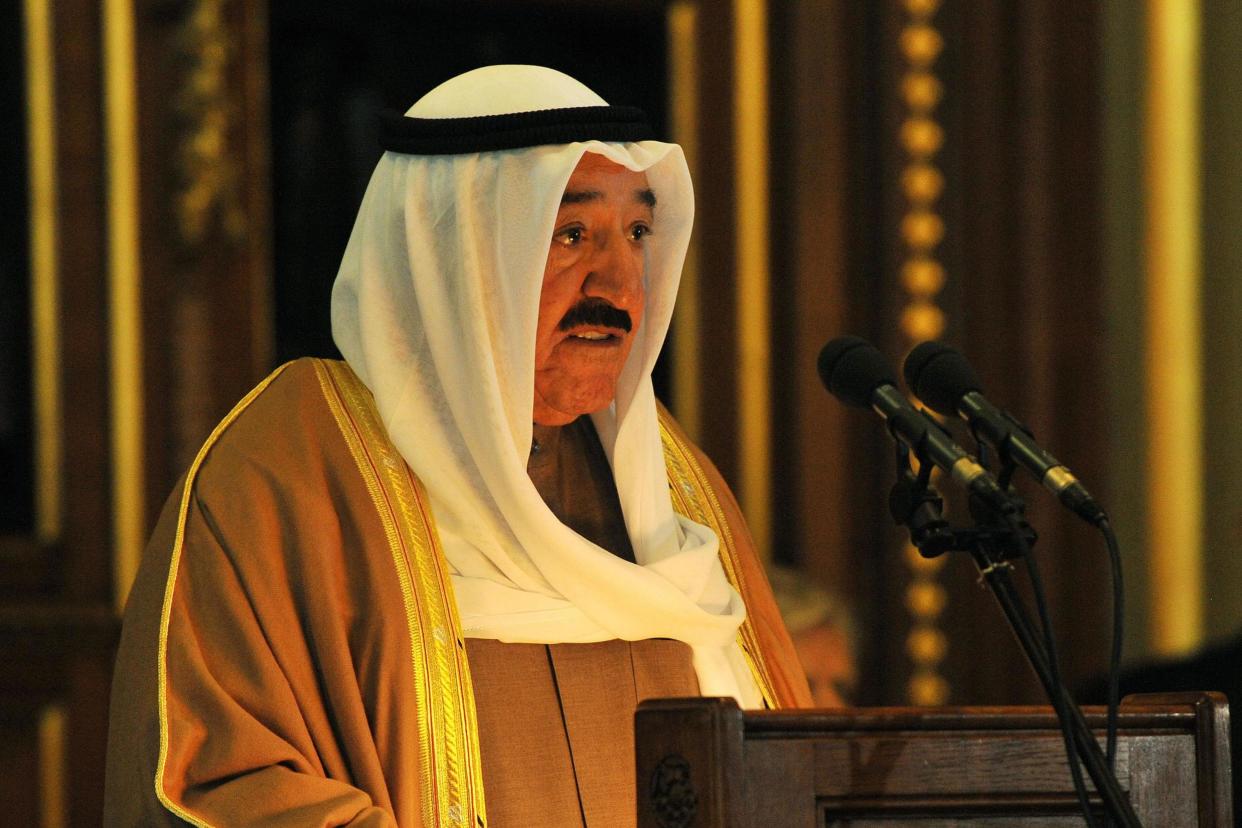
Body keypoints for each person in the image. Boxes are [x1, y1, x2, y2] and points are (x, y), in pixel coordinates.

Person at [103, 65, 811, 827]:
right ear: (458, 258)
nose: (619, 281)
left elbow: (786, 764)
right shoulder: (294, 463)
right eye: (570, 234)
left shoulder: (669, 480)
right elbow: (218, 782)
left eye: (637, 233)